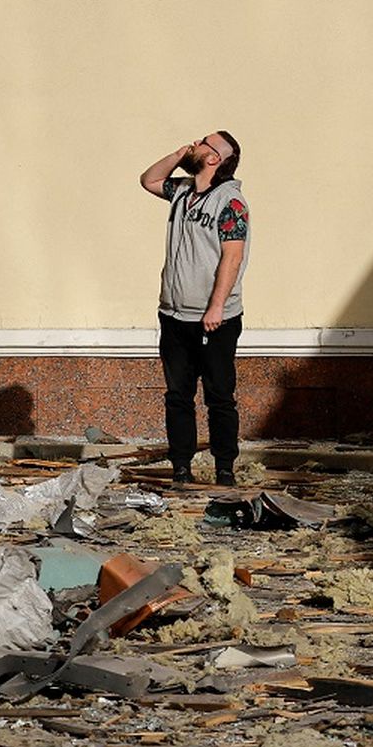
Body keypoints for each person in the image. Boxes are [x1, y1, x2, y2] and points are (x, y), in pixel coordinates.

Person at [139, 131, 249, 486]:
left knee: (219, 396)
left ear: (215, 158)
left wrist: (216, 307)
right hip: (174, 315)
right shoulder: (182, 191)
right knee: (178, 396)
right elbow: (149, 180)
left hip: (214, 319)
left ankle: (224, 468)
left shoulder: (230, 203)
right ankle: (181, 467)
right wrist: (178, 152)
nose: (196, 143)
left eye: (203, 142)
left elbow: (232, 257)